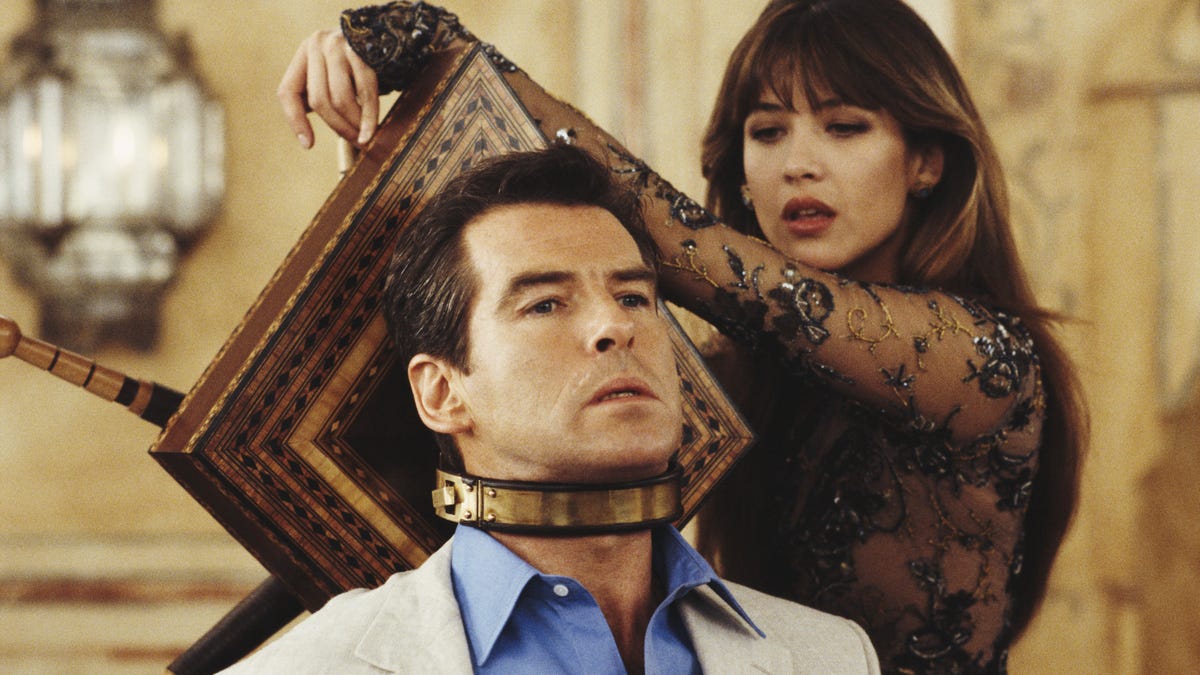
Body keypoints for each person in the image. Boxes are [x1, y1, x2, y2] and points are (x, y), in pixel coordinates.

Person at [277, 1, 1087, 671]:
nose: (798, 165)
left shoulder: (984, 361)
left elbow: (699, 255)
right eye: (767, 132)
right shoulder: (728, 377)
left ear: (926, 164)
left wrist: (431, 44)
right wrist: (392, 173)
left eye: (844, 128)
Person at [222, 145, 879, 673]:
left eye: (633, 297)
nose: (615, 327)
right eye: (545, 304)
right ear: (442, 392)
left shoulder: (832, 657)